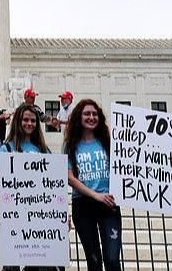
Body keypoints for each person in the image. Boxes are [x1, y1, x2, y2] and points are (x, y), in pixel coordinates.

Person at [0, 104, 64, 271]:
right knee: (12, 263)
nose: (29, 123)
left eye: (33, 120)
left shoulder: (44, 150)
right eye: (25, 119)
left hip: (40, 212)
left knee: (41, 263)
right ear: (18, 121)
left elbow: (53, 184)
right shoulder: (7, 148)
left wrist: (61, 214)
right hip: (15, 212)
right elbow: (5, 185)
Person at [65, 99, 121, 271]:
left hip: (109, 203)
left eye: (95, 114)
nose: (91, 117)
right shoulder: (70, 146)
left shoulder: (108, 142)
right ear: (79, 117)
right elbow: (70, 178)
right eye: (87, 114)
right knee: (94, 261)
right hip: (83, 205)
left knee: (112, 260)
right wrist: (96, 195)